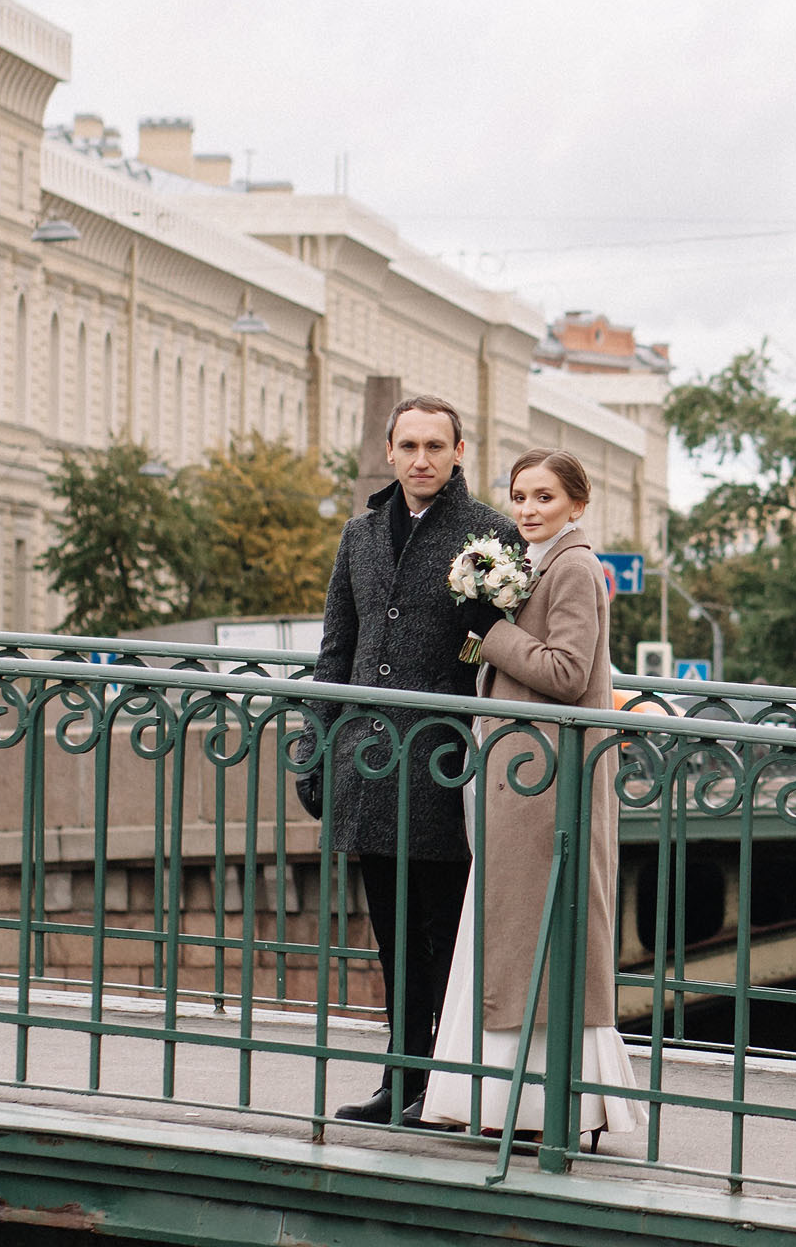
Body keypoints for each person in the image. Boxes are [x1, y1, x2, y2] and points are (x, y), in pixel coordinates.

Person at [298, 395, 516, 1126]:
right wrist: (314, 747)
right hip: (366, 762)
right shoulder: (359, 535)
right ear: (389, 451)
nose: (421, 459)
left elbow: (504, 654)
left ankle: (452, 1084)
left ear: (460, 451)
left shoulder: (489, 533)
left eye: (436, 446)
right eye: (409, 445)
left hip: (446, 764)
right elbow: (336, 650)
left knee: (448, 934)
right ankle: (403, 1076)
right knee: (392, 932)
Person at [423, 448, 641, 1143]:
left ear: (577, 505)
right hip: (524, 774)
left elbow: (570, 671)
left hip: (546, 781)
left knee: (534, 936)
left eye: (543, 497)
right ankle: (526, 1105)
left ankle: (547, 1108)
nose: (526, 509)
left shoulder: (574, 566)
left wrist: (492, 633)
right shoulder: (544, 561)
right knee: (521, 937)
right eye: (519, 496)